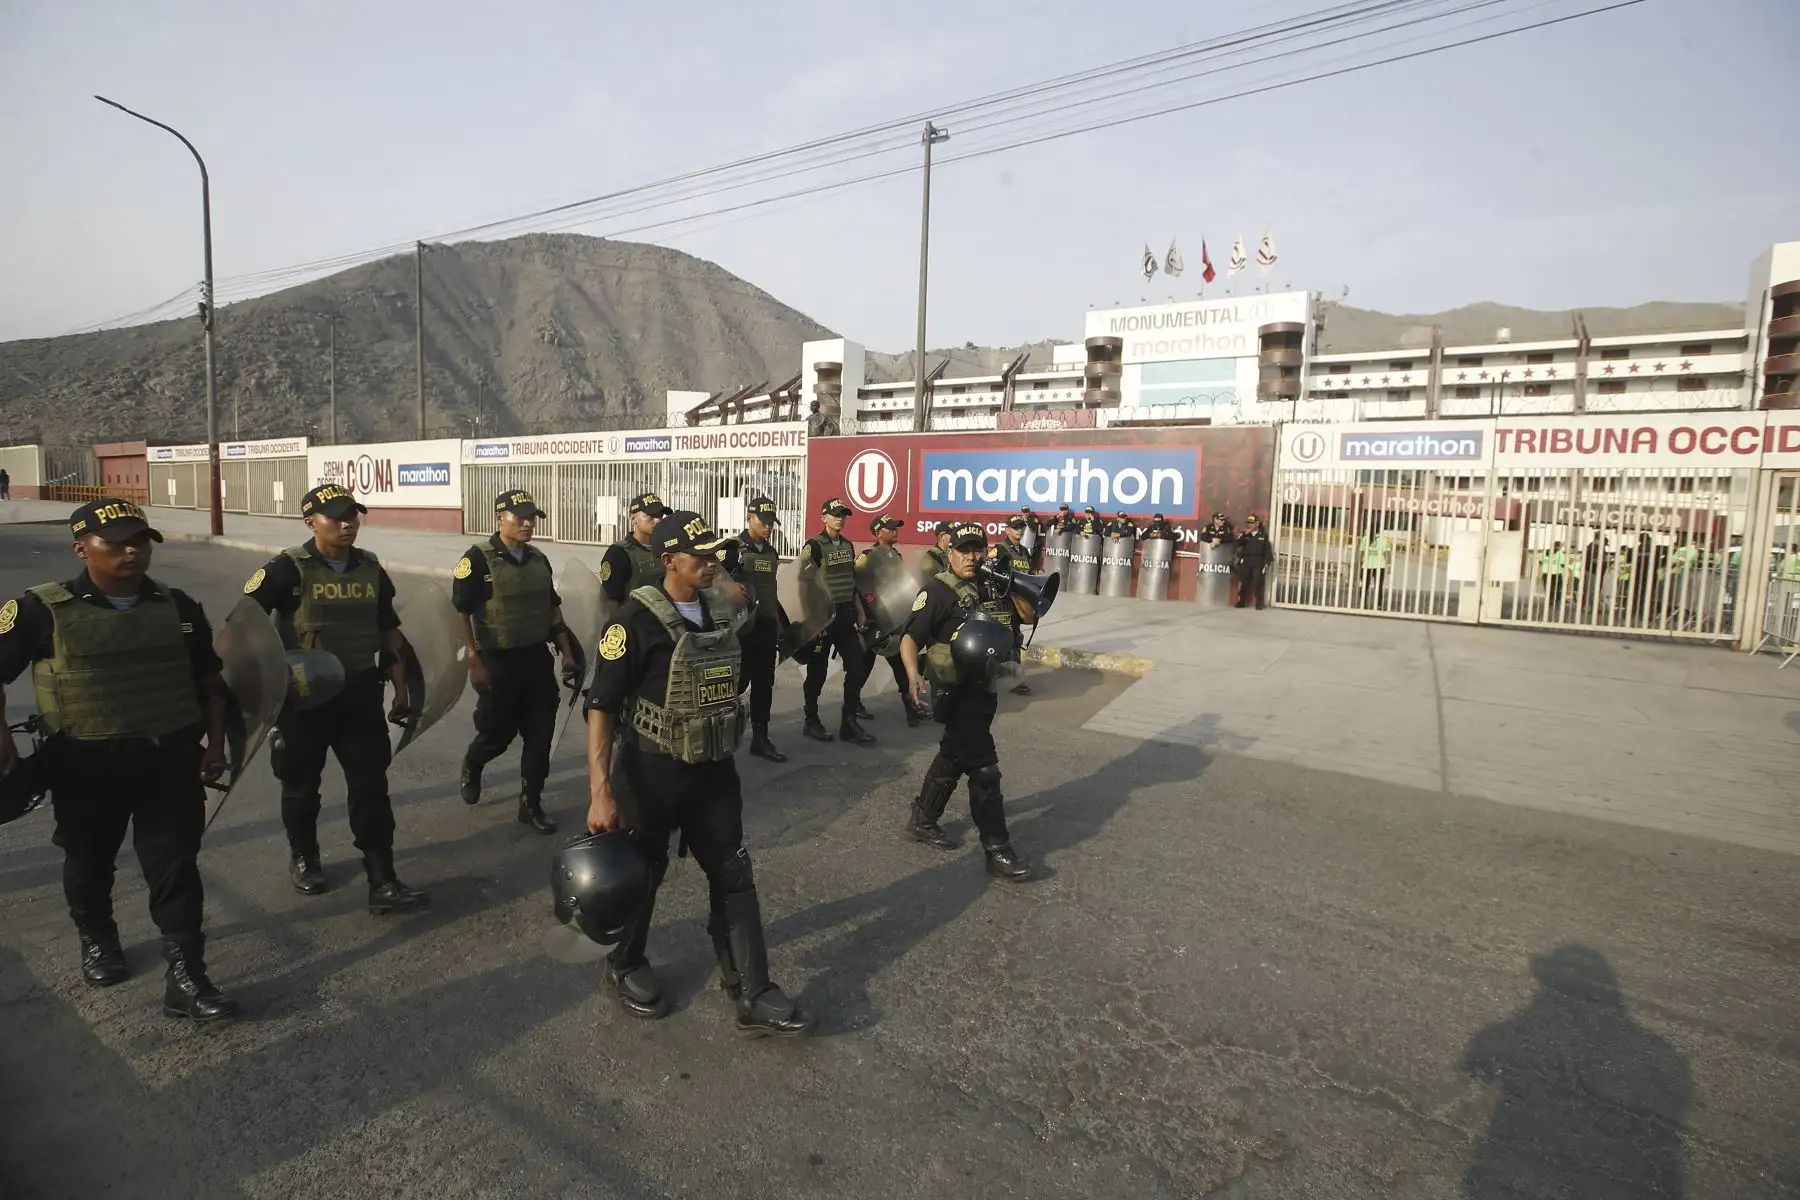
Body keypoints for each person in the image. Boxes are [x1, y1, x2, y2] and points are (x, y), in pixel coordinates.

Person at [0, 499, 237, 1019]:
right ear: (81, 548)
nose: (132, 552)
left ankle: (186, 975)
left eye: (141, 542)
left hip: (168, 760)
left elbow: (211, 684)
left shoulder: (179, 607)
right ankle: (98, 939)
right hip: (85, 764)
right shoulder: (41, 610)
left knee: (175, 865)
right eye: (116, 543)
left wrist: (217, 745)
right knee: (88, 860)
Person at [582, 509, 810, 1037]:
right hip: (651, 772)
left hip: (713, 771)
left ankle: (752, 990)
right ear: (669, 561)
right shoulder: (632, 622)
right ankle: (624, 963)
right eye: (700, 556)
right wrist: (600, 791)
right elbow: (602, 707)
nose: (712, 563)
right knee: (642, 873)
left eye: (714, 554)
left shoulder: (720, 612)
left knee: (733, 873)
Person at [243, 484, 427, 913]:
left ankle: (382, 879)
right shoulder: (286, 570)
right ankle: (304, 855)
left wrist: (401, 689)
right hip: (303, 699)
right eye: (336, 517)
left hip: (360, 694)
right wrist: (267, 689)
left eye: (352, 516)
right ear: (311, 522)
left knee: (371, 787)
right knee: (301, 784)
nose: (347, 524)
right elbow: (245, 627)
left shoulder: (371, 569)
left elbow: (389, 632)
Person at [899, 522, 1031, 882]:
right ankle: (998, 850)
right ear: (950, 552)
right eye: (963, 550)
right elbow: (910, 637)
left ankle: (923, 818)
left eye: (977, 549)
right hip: (954, 692)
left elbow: (1028, 616)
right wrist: (912, 675)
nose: (971, 557)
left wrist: (1013, 588)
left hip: (984, 688)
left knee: (954, 753)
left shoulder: (990, 585)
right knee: (984, 770)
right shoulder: (937, 591)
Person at [452, 489, 582, 835]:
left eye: (531, 518)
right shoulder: (477, 560)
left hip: (536, 659)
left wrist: (568, 653)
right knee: (498, 733)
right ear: (500, 518)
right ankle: (474, 761)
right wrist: (473, 659)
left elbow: (553, 609)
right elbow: (461, 613)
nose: (527, 524)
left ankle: (530, 803)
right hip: (498, 661)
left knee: (540, 736)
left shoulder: (538, 560)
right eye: (520, 517)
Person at [798, 497, 875, 746]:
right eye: (835, 514)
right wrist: (811, 620)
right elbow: (804, 586)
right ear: (824, 517)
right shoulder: (814, 546)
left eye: (843, 514)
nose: (840, 518)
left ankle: (849, 722)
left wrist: (860, 612)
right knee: (817, 672)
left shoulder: (847, 545)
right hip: (822, 618)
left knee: (857, 668)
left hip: (845, 617)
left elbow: (851, 583)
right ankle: (811, 720)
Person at [726, 496, 790, 761]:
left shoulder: (771, 553)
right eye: (763, 521)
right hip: (741, 630)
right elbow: (714, 582)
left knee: (764, 684)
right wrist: (730, 586)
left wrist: (779, 624)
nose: (768, 527)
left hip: (765, 627)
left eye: (771, 522)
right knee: (735, 684)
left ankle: (760, 739)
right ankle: (720, 736)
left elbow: (771, 591)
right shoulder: (733, 548)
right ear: (749, 518)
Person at [857, 514, 925, 725]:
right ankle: (852, 705)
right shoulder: (867, 557)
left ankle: (912, 708)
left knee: (900, 666)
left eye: (896, 528)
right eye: (891, 528)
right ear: (878, 533)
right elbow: (857, 587)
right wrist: (863, 615)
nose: (896, 531)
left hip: (894, 622)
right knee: (863, 667)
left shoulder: (895, 555)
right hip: (874, 623)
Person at [986, 515, 1035, 696]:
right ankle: (1010, 678)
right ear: (1007, 530)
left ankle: (1008, 675)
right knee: (1006, 640)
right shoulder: (999, 550)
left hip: (1019, 602)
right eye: (1015, 527)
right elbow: (988, 573)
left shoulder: (1025, 551)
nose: (1019, 531)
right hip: (1003, 602)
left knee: (1015, 639)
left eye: (1021, 527)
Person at [600, 493, 670, 608]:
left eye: (660, 515)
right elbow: (610, 601)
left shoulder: (667, 549)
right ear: (633, 519)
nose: (658, 520)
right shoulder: (618, 554)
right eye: (651, 515)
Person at [1232, 513, 1274, 610]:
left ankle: (1259, 603)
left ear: (1257, 524)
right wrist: (1244, 535)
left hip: (1258, 562)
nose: (1249, 525)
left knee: (1258, 582)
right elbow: (1236, 544)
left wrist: (1267, 563)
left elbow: (1267, 551)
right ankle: (1242, 601)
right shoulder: (1245, 535)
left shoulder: (1263, 536)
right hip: (1246, 561)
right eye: (1248, 523)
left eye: (1251, 523)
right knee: (1244, 582)